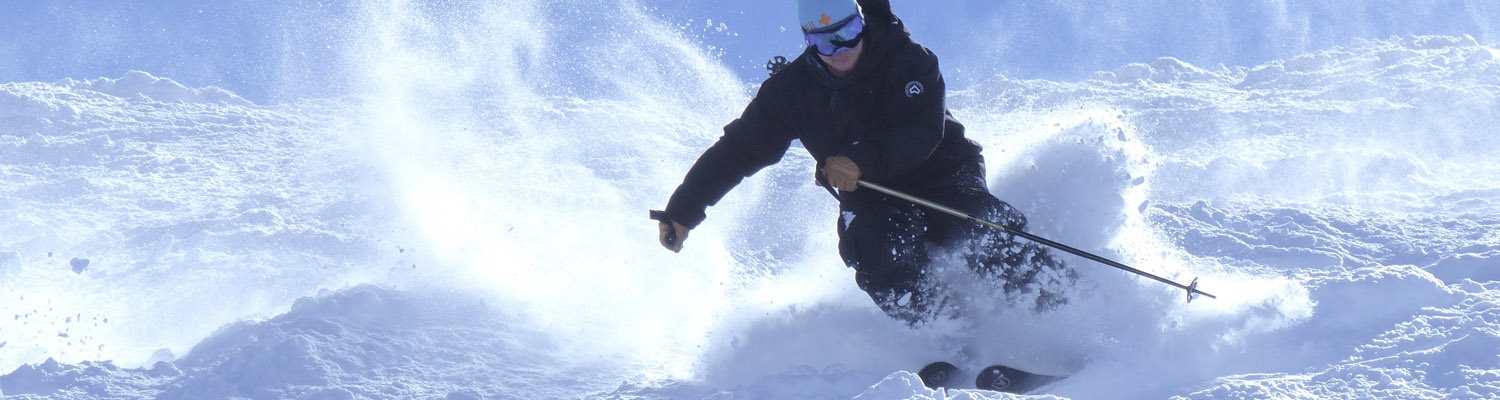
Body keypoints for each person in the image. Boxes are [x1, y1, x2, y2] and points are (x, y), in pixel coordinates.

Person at [656, 0, 1073, 324]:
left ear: (861, 22)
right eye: (823, 42)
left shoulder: (906, 57)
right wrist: (684, 209)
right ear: (807, 42)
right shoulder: (792, 92)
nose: (840, 50)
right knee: (874, 247)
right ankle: (944, 331)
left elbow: (921, 132)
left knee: (974, 222)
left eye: (849, 33)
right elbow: (738, 150)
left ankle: (1059, 307)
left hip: (941, 173)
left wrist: (859, 162)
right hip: (872, 197)